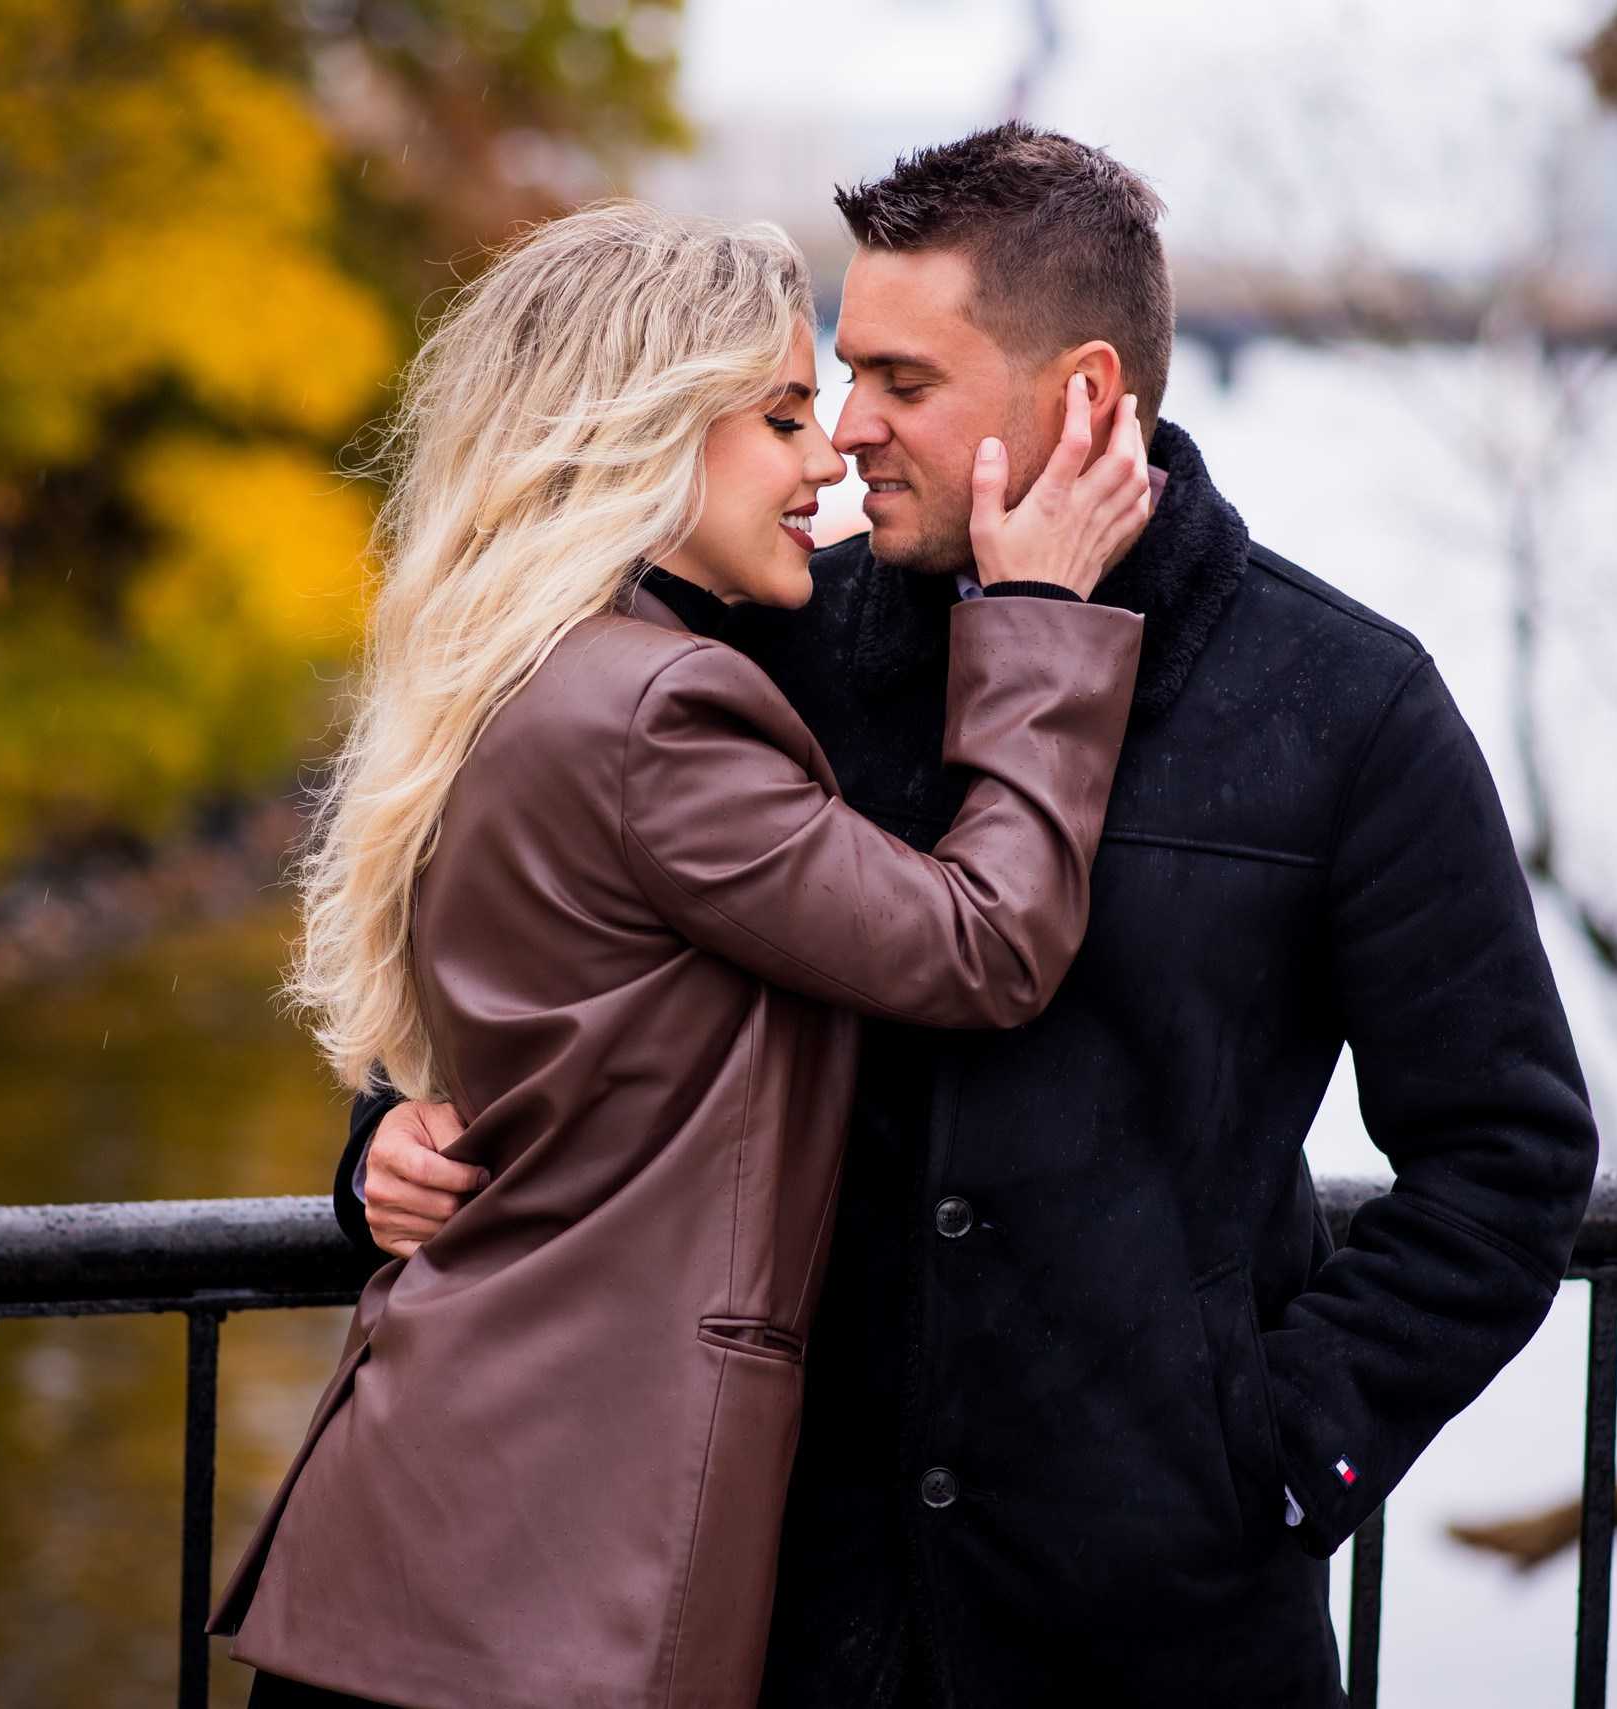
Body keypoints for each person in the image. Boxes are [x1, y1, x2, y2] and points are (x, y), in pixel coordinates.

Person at [346, 127, 1602, 1707]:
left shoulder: (1348, 704)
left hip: (1165, 1636)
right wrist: (391, 1138)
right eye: (838, 375)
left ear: (1083, 395)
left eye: (901, 383)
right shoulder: (772, 652)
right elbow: (539, 953)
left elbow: (1511, 1153)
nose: (848, 428)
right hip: (788, 1611)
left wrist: (1280, 1463)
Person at [210, 201, 1157, 1709]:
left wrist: (375, 1139)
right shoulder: (658, 715)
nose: (828, 453)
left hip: (445, 1544)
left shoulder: (528, 665)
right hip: (549, 1596)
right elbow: (983, 945)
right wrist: (1042, 617)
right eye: (783, 415)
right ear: (654, 429)